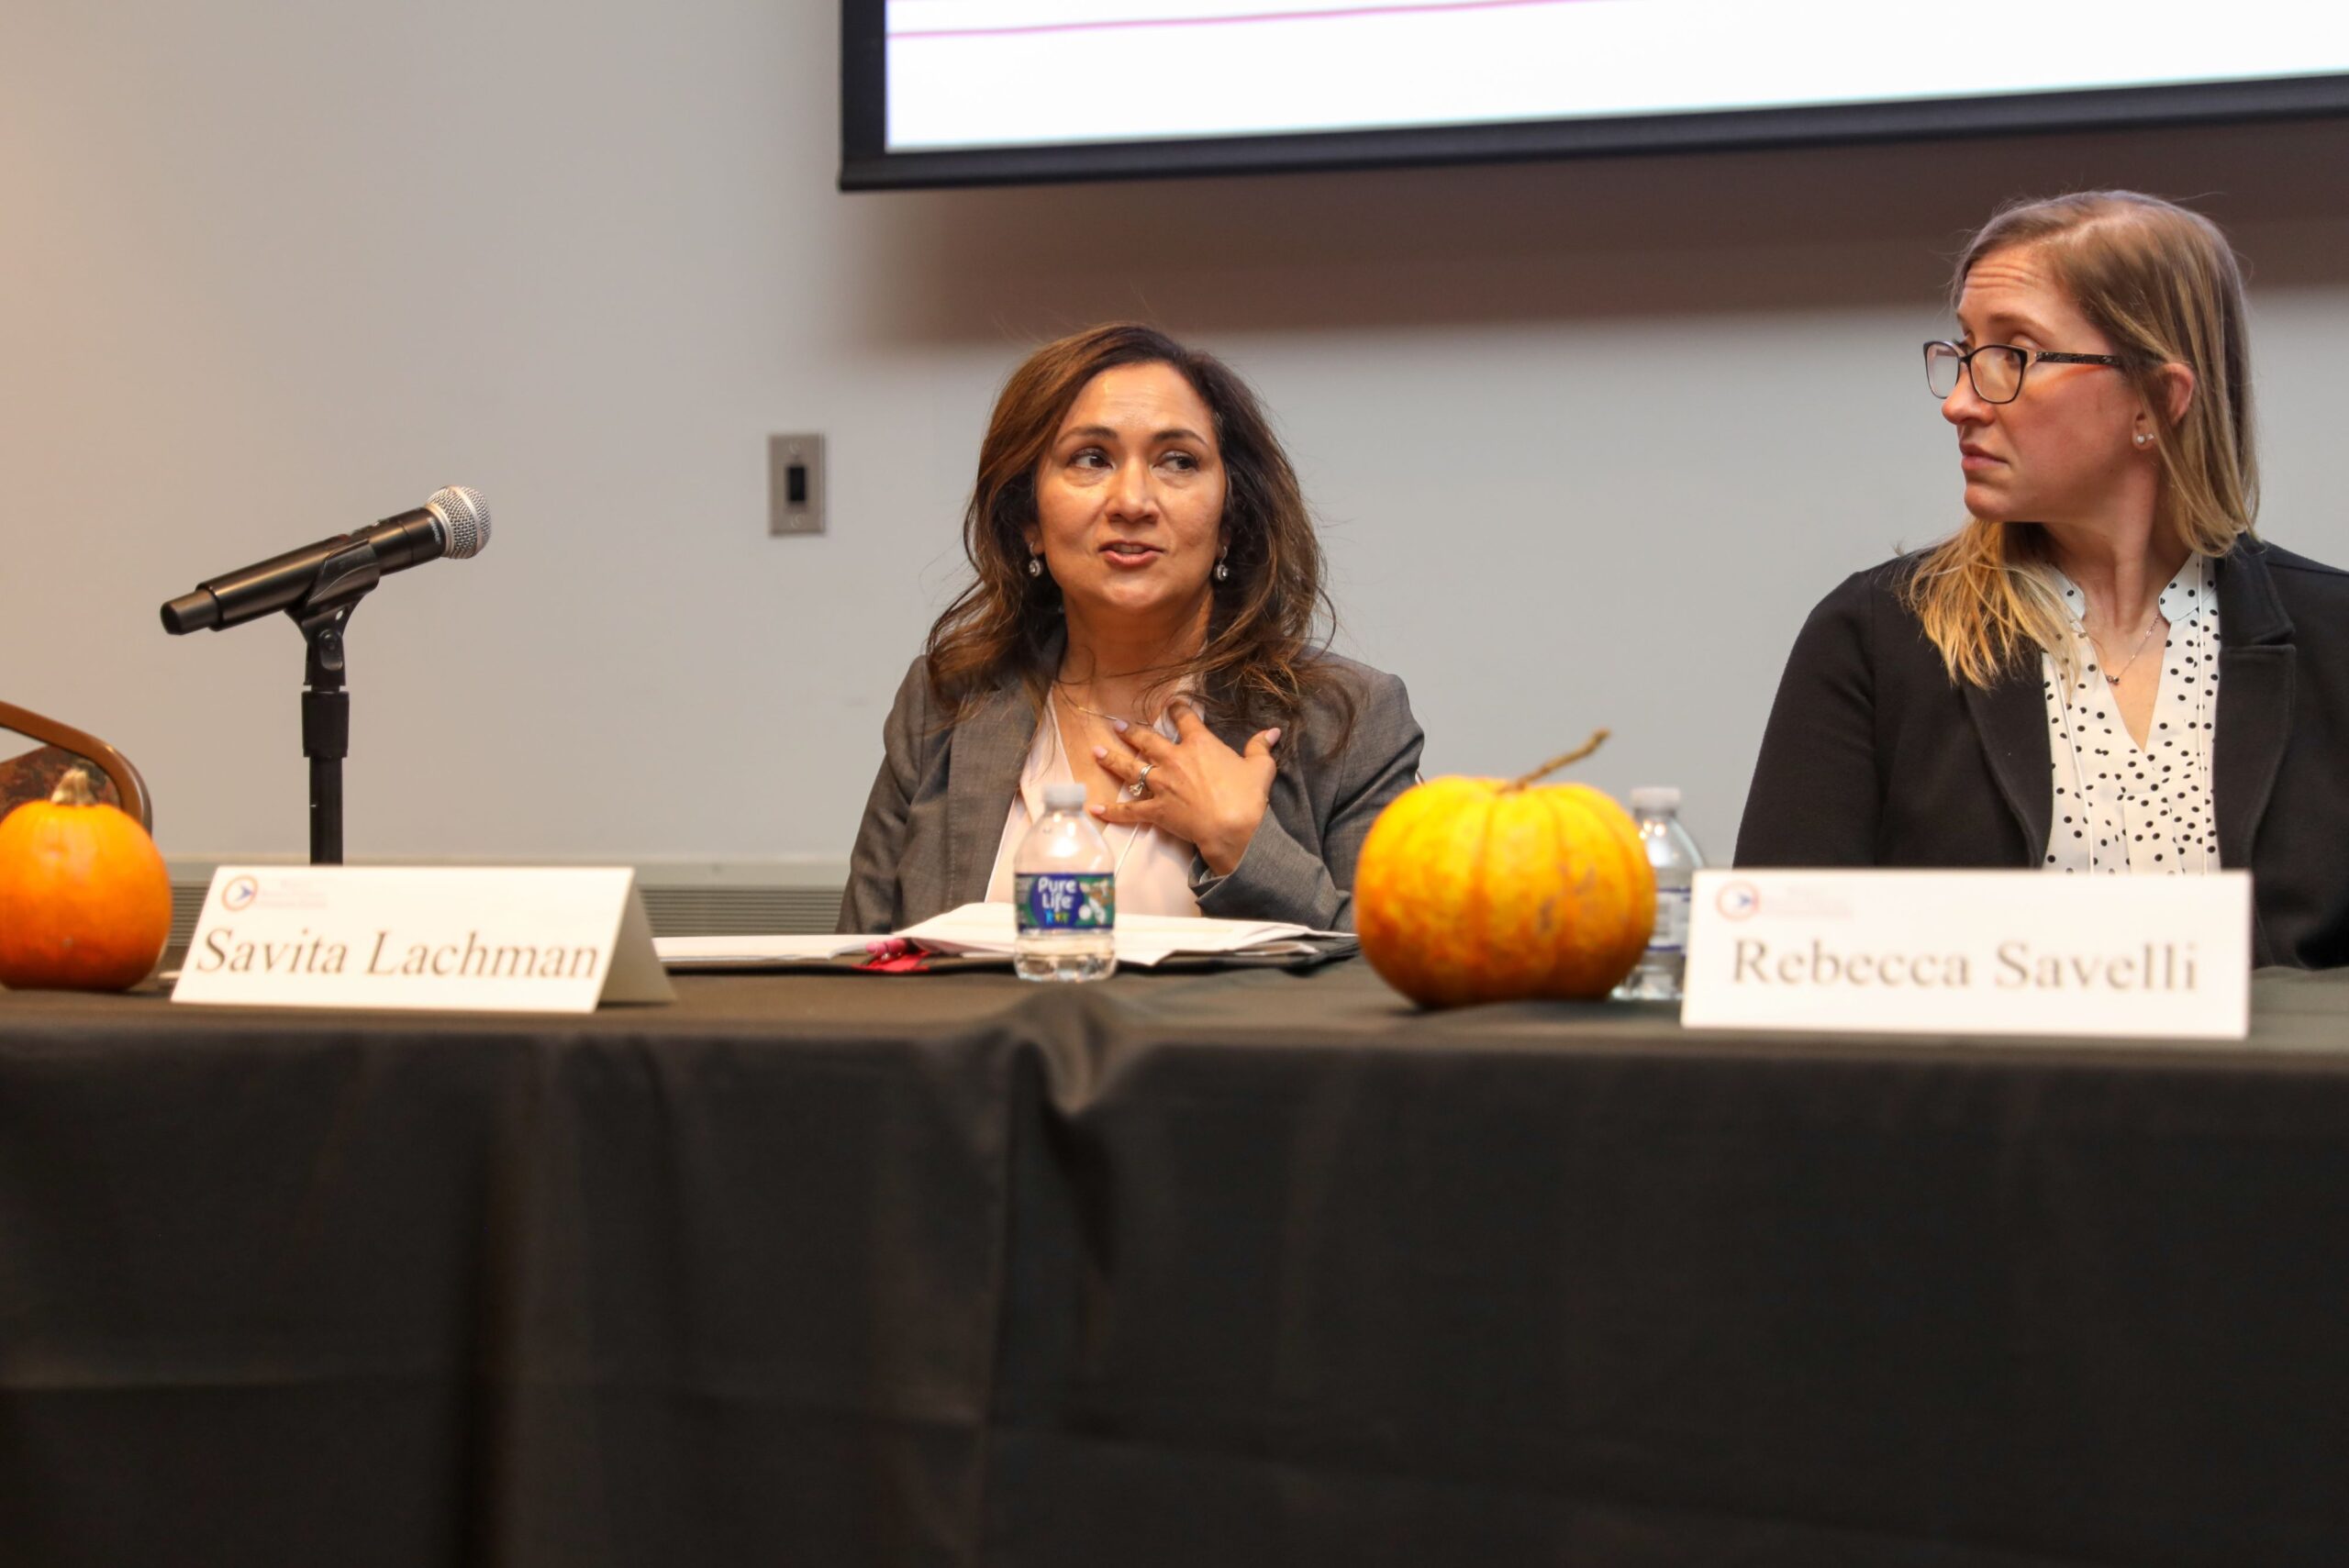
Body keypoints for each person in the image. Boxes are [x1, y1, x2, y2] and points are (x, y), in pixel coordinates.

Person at [1737, 191, 2349, 968]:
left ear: (2158, 399)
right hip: (1968, 1092)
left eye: (2013, 355)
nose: (1960, 402)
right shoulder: (1877, 637)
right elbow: (1778, 969)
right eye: (1963, 352)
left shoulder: (2336, 640)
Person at [841, 323, 1423, 935]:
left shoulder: (1350, 720)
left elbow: (1394, 983)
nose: (1133, 500)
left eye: (1178, 461)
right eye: (1091, 458)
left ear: (1229, 521)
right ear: (1027, 520)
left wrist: (1244, 845)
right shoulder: (947, 703)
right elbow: (857, 978)